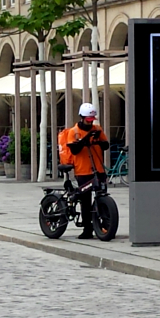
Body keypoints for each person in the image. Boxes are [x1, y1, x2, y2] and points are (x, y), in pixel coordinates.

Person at [58, 102, 109, 239]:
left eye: (92, 120)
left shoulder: (97, 128)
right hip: (83, 170)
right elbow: (74, 149)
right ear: (82, 117)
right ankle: (87, 228)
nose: (90, 123)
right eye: (88, 120)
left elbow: (106, 145)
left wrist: (98, 139)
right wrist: (86, 138)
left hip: (98, 169)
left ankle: (105, 224)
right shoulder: (74, 132)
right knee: (85, 200)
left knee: (102, 195)